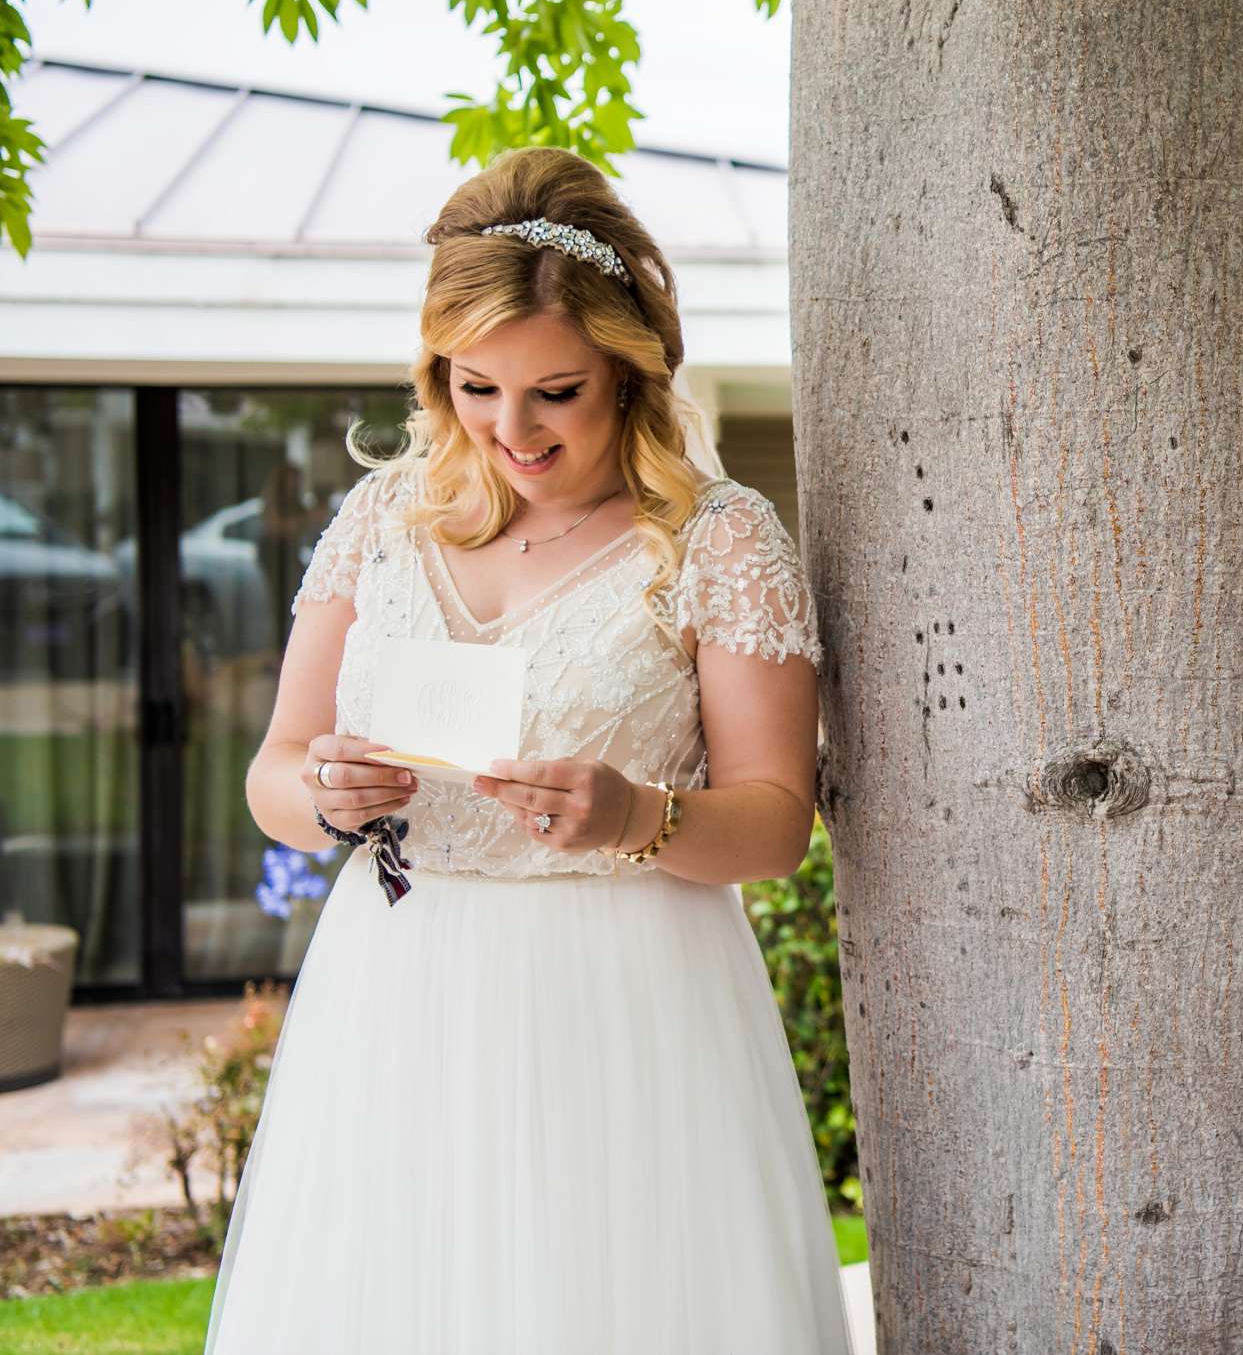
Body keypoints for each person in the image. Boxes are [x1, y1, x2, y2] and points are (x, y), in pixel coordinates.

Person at [206, 147, 853, 1354]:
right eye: (476, 387)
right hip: (393, 996)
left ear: (626, 365)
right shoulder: (383, 521)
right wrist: (326, 794)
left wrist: (634, 817)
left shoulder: (718, 539)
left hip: (628, 1003)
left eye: (556, 390)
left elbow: (776, 823)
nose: (514, 429)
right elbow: (275, 772)